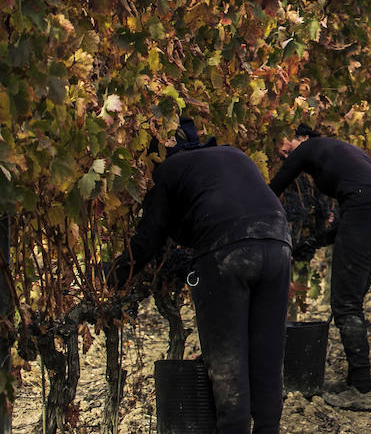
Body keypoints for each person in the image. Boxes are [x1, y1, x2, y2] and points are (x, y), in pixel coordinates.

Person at [110, 117, 291, 434]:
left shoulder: (168, 172)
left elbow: (147, 241)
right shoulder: (232, 154)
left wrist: (113, 275)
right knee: (267, 350)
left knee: (227, 358)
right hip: (278, 245)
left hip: (227, 253)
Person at [268, 125, 371, 410]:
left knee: (346, 305)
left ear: (302, 137)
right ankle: (356, 380)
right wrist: (316, 240)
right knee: (350, 302)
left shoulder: (308, 148)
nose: (282, 150)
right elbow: (359, 206)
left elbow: (273, 189)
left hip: (365, 221)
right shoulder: (338, 151)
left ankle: (362, 389)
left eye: (284, 142)